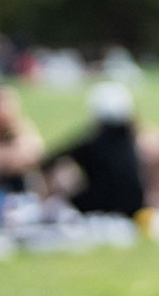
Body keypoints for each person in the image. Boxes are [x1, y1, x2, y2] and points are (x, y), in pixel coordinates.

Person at [47, 81, 151, 217]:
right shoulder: (136, 140)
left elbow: (50, 159)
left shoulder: (92, 144)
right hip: (136, 208)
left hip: (100, 207)